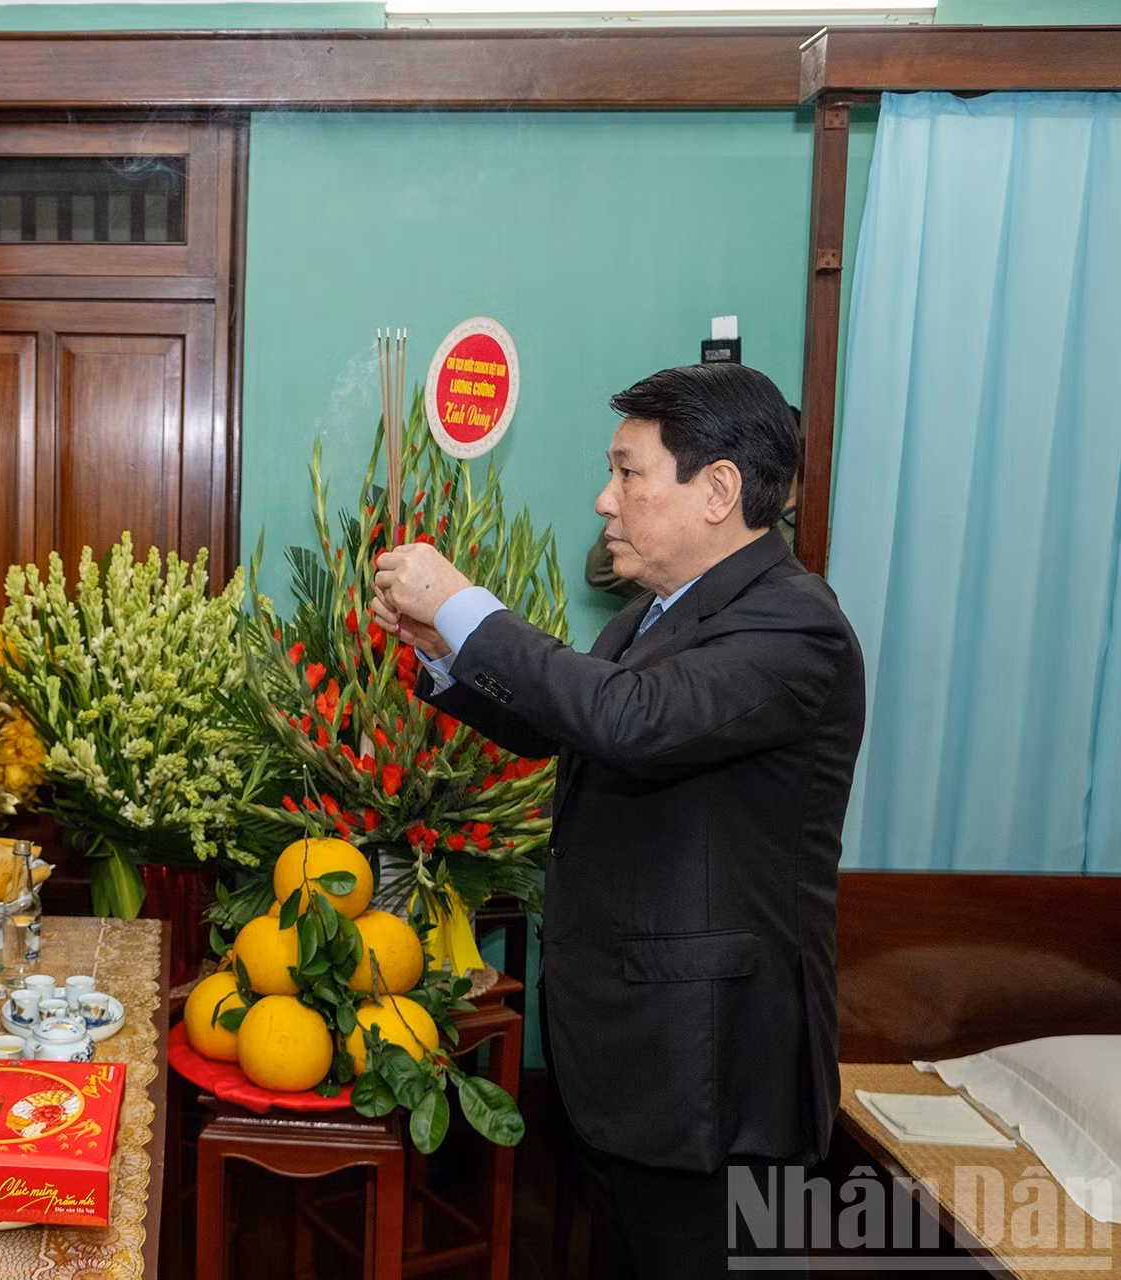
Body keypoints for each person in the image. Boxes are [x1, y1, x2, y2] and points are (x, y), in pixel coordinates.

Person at [370, 363, 864, 1278]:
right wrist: (444, 651)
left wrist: (468, 606)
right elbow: (554, 724)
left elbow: (629, 722)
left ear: (718, 490)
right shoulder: (652, 617)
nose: (605, 499)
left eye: (629, 472)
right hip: (636, 1059)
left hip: (715, 1084)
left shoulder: (796, 626)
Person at [585, 402, 803, 599]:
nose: (603, 503)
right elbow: (599, 573)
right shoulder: (651, 603)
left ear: (719, 490)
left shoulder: (781, 605)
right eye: (614, 471)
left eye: (628, 472)